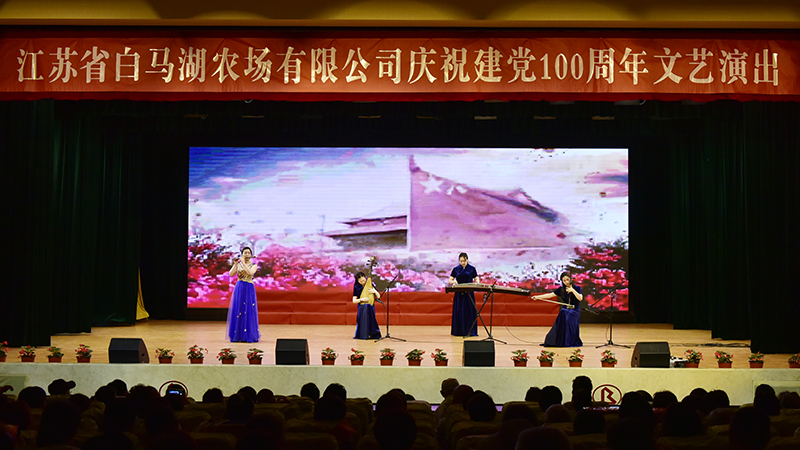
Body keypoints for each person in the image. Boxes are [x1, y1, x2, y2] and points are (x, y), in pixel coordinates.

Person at [533, 271, 583, 347]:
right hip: (565, 310)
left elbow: (580, 298)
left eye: (567, 280)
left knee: (568, 317)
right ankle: (557, 341)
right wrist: (538, 297)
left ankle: (569, 341)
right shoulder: (561, 289)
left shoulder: (577, 288)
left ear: (570, 279)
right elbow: (550, 295)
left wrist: (573, 290)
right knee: (563, 314)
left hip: (574, 310)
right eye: (564, 280)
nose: (566, 282)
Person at [226, 246, 260, 342]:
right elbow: (231, 274)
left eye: (249, 253)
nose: (247, 254)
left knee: (248, 309)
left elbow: (250, 273)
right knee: (238, 309)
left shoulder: (254, 265)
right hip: (239, 287)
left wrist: (243, 263)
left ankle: (248, 335)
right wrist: (236, 264)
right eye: (245, 253)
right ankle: (237, 335)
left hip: (249, 288)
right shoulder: (239, 265)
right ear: (242, 254)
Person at [449, 252, 478, 337]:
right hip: (459, 293)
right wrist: (453, 282)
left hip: (469, 293)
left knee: (469, 311)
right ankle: (459, 331)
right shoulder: (456, 269)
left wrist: (477, 283)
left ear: (467, 260)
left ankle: (470, 331)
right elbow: (450, 280)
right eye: (461, 261)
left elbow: (476, 278)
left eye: (464, 261)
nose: (463, 263)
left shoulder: (472, 268)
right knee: (459, 311)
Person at [353, 271, 381, 339]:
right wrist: (362, 299)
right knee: (365, 306)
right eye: (360, 281)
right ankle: (363, 335)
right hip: (362, 307)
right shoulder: (357, 287)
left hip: (370, 306)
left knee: (369, 308)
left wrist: (375, 292)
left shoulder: (370, 285)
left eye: (363, 280)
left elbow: (378, 297)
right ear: (358, 281)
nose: (363, 282)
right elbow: (354, 301)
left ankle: (373, 334)